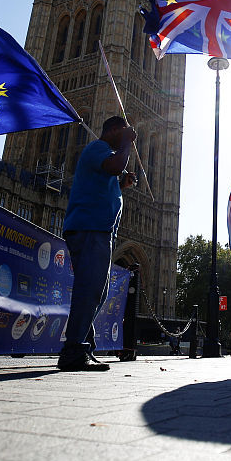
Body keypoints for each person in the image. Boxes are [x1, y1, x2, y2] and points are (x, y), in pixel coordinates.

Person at [57, 116, 137, 372]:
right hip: (89, 228)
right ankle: (73, 350)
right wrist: (126, 143)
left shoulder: (103, 155)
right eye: (122, 131)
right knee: (90, 289)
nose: (125, 135)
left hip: (98, 230)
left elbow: (105, 184)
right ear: (113, 130)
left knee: (96, 291)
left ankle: (82, 347)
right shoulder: (97, 148)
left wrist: (122, 185)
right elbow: (115, 165)